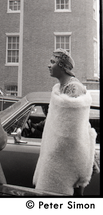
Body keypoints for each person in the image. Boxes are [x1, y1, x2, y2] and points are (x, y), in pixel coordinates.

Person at [33, 48, 98, 196]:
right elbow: (56, 121)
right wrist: (36, 127)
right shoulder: (60, 88)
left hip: (71, 158)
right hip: (61, 156)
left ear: (62, 66)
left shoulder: (74, 88)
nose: (49, 65)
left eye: (53, 62)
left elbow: (70, 133)